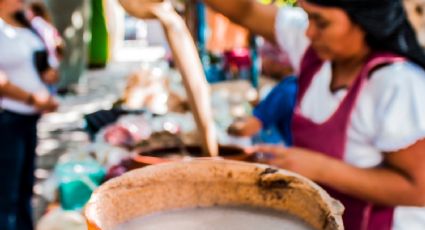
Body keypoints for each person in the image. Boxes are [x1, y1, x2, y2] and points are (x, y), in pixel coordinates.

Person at [202, 0, 425, 229]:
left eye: (321, 22)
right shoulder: (317, 55)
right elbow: (245, 10)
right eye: (308, 17)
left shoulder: (398, 83)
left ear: (366, 22)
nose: (309, 32)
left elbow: (419, 190)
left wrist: (321, 169)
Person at [0, 0, 58, 229]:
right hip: (7, 118)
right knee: (6, 193)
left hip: (28, 117)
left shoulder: (25, 22)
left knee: (25, 187)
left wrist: (48, 73)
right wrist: (33, 98)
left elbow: (40, 59)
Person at [227, 75, 297, 145]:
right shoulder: (294, 86)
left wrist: (228, 129)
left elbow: (246, 129)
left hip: (287, 148)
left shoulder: (286, 91)